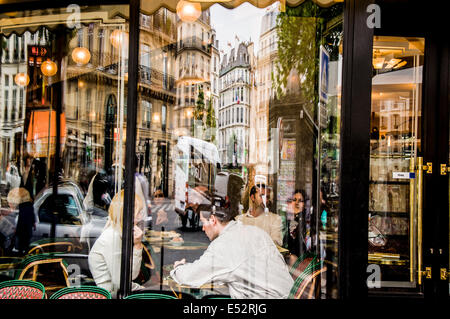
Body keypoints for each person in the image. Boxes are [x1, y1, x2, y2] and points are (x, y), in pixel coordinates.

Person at [170, 206, 294, 299]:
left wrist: (178, 267)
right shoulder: (255, 231)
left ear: (213, 220)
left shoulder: (224, 244)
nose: (202, 228)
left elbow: (191, 276)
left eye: (203, 222)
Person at [88, 190, 146, 298]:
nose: (141, 217)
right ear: (128, 214)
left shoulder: (116, 232)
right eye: (138, 212)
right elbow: (124, 280)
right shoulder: (112, 237)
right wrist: (137, 246)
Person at [7, 188, 35, 255]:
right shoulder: (30, 206)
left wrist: (17, 231)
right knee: (25, 246)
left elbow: (21, 221)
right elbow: (31, 218)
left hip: (22, 231)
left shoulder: (22, 207)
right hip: (27, 231)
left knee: (21, 247)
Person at [287, 189, 311, 265]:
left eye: (300, 200)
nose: (297, 202)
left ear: (304, 204)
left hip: (302, 263)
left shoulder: (305, 221)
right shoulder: (293, 220)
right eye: (294, 200)